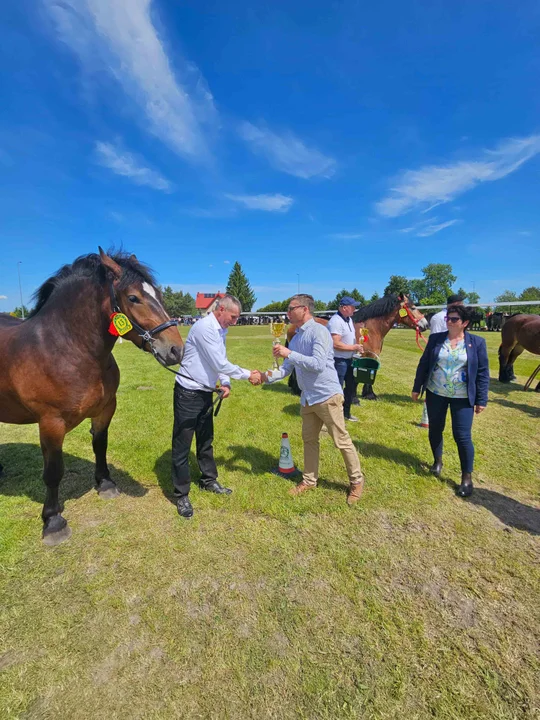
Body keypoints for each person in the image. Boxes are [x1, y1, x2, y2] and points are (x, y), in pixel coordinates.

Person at [264, 294, 365, 505]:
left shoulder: (320, 331)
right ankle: (309, 480)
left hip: (327, 396)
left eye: (291, 309)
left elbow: (318, 364)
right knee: (309, 440)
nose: (287, 313)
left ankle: (356, 481)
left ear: (305, 309)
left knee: (341, 441)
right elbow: (286, 369)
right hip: (307, 398)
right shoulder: (297, 337)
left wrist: (289, 353)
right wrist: (265, 377)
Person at [171, 294, 263, 518]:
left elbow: (219, 360)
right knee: (182, 445)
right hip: (188, 393)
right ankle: (181, 494)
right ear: (221, 309)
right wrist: (248, 374)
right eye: (233, 316)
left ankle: (208, 480)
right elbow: (220, 362)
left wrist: (226, 382)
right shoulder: (205, 328)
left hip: (205, 391)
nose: (234, 321)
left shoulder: (221, 329)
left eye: (237, 317)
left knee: (206, 439)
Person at [411, 304, 489, 497]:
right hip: (435, 392)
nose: (450, 322)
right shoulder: (437, 339)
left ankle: (466, 477)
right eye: (448, 319)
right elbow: (424, 364)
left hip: (462, 397)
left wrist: (482, 399)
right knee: (435, 429)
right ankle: (437, 462)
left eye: (454, 319)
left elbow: (482, 373)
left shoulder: (477, 343)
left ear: (465, 323)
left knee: (462, 436)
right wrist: (416, 387)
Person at [327, 296, 365, 422]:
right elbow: (335, 343)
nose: (355, 309)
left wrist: (356, 348)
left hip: (349, 360)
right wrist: (353, 347)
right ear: (344, 308)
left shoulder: (348, 319)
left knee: (350, 388)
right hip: (339, 361)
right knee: (336, 390)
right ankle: (333, 416)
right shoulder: (335, 321)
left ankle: (346, 413)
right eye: (352, 306)